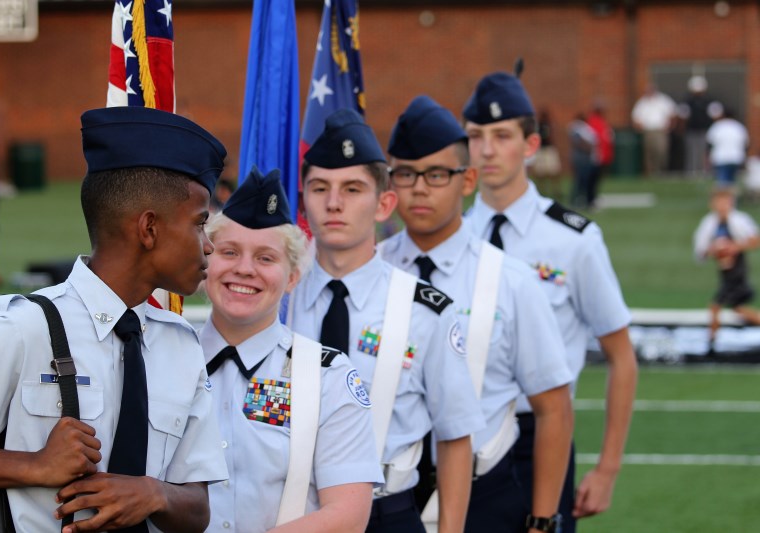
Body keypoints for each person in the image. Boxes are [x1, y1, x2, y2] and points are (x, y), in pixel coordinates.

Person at [0, 106, 230, 532]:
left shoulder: (180, 343)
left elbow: (197, 510)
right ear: (149, 229)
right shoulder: (24, 328)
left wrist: (153, 493)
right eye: (199, 224)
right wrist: (34, 466)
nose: (209, 246)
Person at [380, 95, 574, 533]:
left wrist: (543, 521)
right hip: (385, 501)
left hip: (487, 496)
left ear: (467, 179)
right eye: (405, 174)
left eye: (436, 174)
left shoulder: (511, 280)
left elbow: (554, 408)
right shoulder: (371, 271)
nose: (419, 189)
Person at [287, 108, 484, 533]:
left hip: (386, 512)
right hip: (289, 510)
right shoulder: (279, 297)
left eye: (352, 188)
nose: (334, 203)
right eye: (319, 188)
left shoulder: (424, 311)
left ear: (384, 204)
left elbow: (454, 436)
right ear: (302, 202)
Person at [462, 72, 638, 533]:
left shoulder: (573, 240)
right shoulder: (451, 238)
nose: (487, 150)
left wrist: (608, 468)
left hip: (539, 440)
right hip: (456, 439)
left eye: (502, 136)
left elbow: (621, 355)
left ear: (531, 144)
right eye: (476, 136)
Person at [200, 166, 383, 532]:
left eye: (266, 258)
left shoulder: (327, 377)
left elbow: (348, 515)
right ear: (205, 260)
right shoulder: (163, 357)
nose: (245, 269)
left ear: (293, 277)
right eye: (229, 252)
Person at [693, 187, 760, 353]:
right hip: (725, 273)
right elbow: (701, 251)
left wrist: (734, 247)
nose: (722, 205)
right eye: (719, 201)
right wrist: (715, 250)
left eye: (725, 201)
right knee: (738, 309)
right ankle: (712, 342)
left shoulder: (740, 220)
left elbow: (755, 239)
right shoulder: (709, 223)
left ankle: (711, 344)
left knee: (716, 306)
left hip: (738, 271)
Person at [631, 82, 677, 176]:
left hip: (660, 131)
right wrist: (639, 127)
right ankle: (651, 172)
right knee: (650, 152)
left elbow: (673, 113)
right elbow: (636, 118)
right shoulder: (642, 102)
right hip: (648, 131)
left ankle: (661, 170)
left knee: (661, 151)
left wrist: (670, 126)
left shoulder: (663, 100)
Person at [678, 75, 717, 177]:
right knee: (691, 151)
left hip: (705, 130)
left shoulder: (709, 101)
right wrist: (682, 130)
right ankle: (691, 170)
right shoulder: (687, 101)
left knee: (704, 151)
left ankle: (704, 170)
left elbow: (715, 116)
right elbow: (683, 117)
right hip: (691, 130)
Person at [706, 105, 749, 187]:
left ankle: (724, 194)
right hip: (736, 157)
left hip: (720, 158)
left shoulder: (717, 126)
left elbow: (709, 144)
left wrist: (707, 159)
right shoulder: (739, 127)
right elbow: (746, 145)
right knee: (732, 182)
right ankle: (731, 194)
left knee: (722, 183)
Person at [528, 108, 563, 200]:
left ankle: (556, 190)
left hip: (548, 148)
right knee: (541, 172)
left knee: (554, 171)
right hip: (541, 150)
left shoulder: (548, 125)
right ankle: (541, 190)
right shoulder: (538, 126)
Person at [586, 101, 615, 208]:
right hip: (596, 155)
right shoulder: (593, 121)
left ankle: (593, 198)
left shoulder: (601, 121)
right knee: (592, 179)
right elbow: (595, 139)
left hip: (601, 155)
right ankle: (590, 199)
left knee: (597, 179)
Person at [567, 113, 598, 210]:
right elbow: (579, 142)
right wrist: (589, 147)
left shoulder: (584, 129)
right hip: (581, 159)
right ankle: (576, 200)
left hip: (587, 158)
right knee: (580, 180)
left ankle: (585, 200)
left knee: (587, 180)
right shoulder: (577, 128)